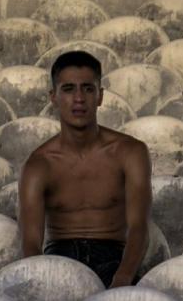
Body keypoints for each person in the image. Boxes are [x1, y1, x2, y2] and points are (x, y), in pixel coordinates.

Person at [18, 51, 151, 288]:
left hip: (114, 258)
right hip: (60, 259)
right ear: (54, 97)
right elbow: (30, 243)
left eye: (88, 89)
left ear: (100, 96)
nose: (79, 98)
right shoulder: (39, 164)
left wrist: (123, 277)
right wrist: (42, 283)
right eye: (68, 89)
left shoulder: (130, 152)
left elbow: (139, 227)